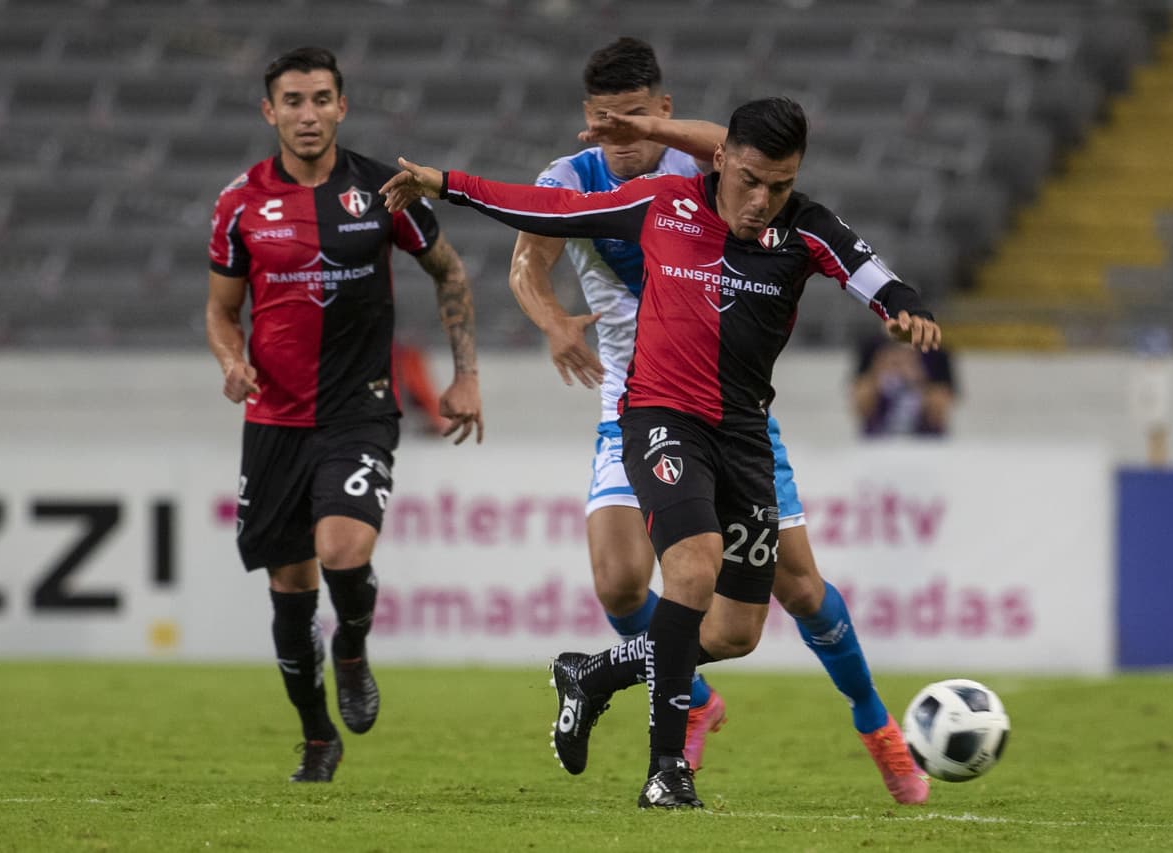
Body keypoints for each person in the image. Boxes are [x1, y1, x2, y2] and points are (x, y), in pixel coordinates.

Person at [379, 96, 941, 809]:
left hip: (743, 435)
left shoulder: (808, 226)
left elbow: (879, 278)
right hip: (659, 417)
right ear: (722, 160)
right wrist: (447, 183)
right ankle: (665, 771)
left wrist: (904, 310)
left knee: (736, 631)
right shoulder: (661, 202)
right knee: (692, 564)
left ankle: (597, 674)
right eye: (751, 180)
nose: (763, 200)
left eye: (781, 184)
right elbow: (544, 211)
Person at [205, 46, 483, 784]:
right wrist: (230, 360)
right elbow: (221, 311)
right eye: (292, 101)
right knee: (291, 593)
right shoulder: (239, 203)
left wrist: (466, 374)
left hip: (358, 411)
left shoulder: (383, 190)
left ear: (341, 106)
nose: (307, 113)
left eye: (320, 98)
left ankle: (353, 648)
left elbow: (448, 269)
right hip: (273, 422)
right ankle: (318, 734)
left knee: (343, 551)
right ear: (271, 111)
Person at [852, 333, 957, 436]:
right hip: (876, 442)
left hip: (927, 442)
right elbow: (860, 406)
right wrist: (879, 374)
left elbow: (939, 412)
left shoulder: (935, 350)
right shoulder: (873, 348)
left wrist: (917, 379)